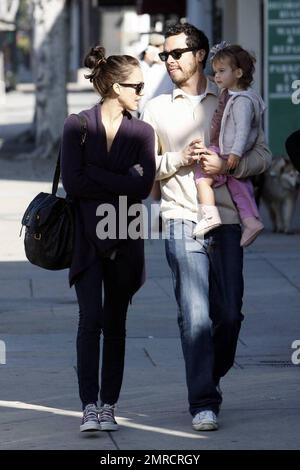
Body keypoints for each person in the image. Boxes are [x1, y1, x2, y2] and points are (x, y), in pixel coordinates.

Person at [143, 23, 271, 431]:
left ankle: (208, 376)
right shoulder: (157, 108)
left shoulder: (235, 99)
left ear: (199, 55)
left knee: (229, 315)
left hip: (229, 220)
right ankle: (203, 401)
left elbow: (263, 155)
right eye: (165, 55)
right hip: (182, 216)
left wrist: (228, 164)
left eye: (176, 53)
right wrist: (179, 159)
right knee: (195, 316)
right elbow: (146, 175)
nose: (169, 61)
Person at [61, 46, 155, 433]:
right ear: (115, 87)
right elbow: (73, 181)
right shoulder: (77, 125)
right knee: (91, 319)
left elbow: (145, 185)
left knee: (116, 321)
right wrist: (120, 181)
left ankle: (109, 406)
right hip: (86, 235)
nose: (141, 92)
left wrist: (95, 174)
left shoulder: (142, 131)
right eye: (136, 86)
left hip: (127, 231)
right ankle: (88, 406)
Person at [193, 42, 265, 247]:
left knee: (201, 175)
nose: (216, 76)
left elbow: (242, 129)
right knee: (239, 188)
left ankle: (209, 214)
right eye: (215, 71)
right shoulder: (229, 95)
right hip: (228, 149)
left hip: (229, 150)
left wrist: (235, 153)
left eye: (222, 71)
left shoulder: (241, 101)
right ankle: (251, 221)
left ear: (239, 73)